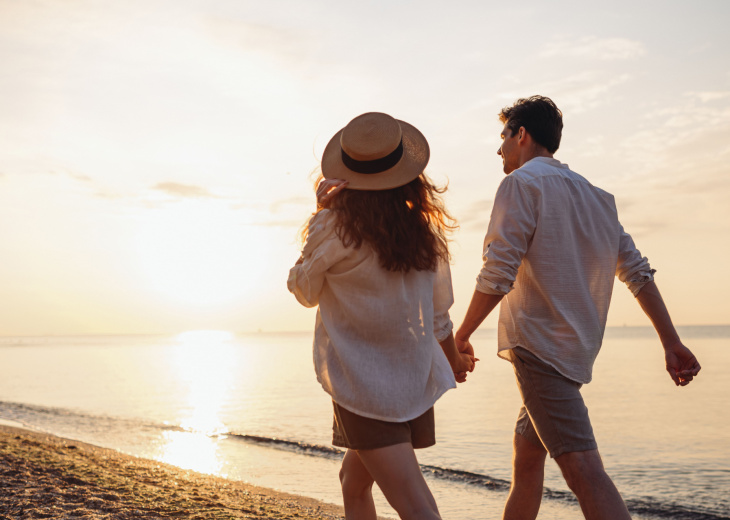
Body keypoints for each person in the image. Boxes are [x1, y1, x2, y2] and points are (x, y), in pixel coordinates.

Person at [454, 96, 701, 520]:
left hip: (539, 349)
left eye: (503, 138)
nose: (499, 150)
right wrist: (671, 342)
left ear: (522, 135)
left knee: (584, 470)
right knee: (527, 458)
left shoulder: (520, 184)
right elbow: (638, 274)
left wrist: (460, 335)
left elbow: (499, 270)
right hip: (575, 352)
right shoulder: (598, 198)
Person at [288, 112, 475, 520]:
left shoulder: (336, 227)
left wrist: (320, 213)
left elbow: (304, 290)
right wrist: (454, 359)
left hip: (363, 382)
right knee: (353, 483)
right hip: (409, 380)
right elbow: (439, 315)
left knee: (415, 504)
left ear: (347, 175)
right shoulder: (423, 233)